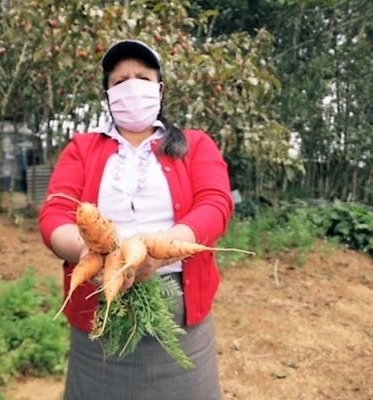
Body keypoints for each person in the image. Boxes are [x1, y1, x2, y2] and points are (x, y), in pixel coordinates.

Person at [38, 39, 233, 400]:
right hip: (100, 304)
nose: (131, 86)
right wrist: (87, 253)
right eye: (119, 80)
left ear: (159, 89)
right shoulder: (82, 148)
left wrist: (165, 250)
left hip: (176, 312)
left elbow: (215, 203)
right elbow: (55, 213)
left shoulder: (195, 144)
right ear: (108, 95)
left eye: (142, 77)